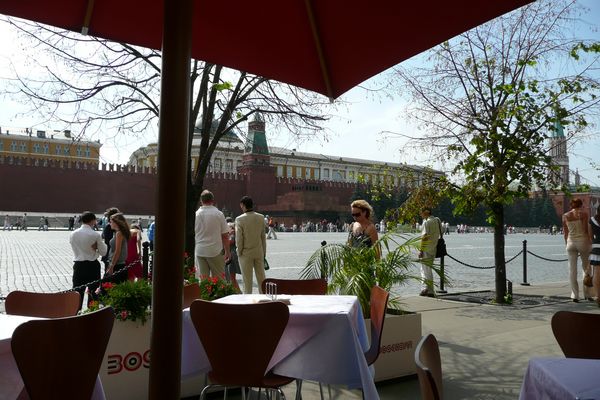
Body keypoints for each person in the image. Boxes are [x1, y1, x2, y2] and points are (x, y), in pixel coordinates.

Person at [69, 211, 107, 311]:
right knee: (93, 292)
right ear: (93, 221)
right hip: (92, 265)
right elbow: (103, 252)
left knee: (77, 291)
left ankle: (75, 312)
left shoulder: (73, 234)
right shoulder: (95, 235)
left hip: (78, 265)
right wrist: (96, 250)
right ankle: (92, 313)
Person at [194, 190, 231, 279]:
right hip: (215, 251)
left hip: (200, 250)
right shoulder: (219, 214)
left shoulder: (196, 215)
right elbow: (225, 236)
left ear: (201, 201)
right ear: (212, 200)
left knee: (203, 280)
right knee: (219, 280)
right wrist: (227, 252)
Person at [563, 198, 592, 302]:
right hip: (583, 241)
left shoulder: (566, 215)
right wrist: (590, 242)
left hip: (570, 242)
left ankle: (575, 295)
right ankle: (587, 294)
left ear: (571, 205)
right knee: (586, 268)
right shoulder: (583, 214)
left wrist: (566, 243)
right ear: (581, 205)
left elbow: (565, 232)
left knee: (572, 270)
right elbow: (585, 230)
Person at [235, 196, 267, 294]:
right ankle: (264, 298)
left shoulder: (239, 219)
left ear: (242, 205)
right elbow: (263, 237)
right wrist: (264, 252)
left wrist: (239, 252)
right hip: (258, 251)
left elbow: (239, 239)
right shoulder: (261, 217)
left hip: (245, 253)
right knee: (261, 279)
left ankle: (247, 300)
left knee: (247, 281)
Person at [419, 206, 442, 297]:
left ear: (426, 212)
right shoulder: (437, 220)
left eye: (421, 212)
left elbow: (424, 237)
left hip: (426, 249)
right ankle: (429, 290)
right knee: (428, 270)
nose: (420, 214)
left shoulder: (426, 222)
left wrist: (421, 250)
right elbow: (441, 233)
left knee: (424, 270)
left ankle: (426, 289)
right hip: (434, 248)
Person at [106, 212, 130, 284]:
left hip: (117, 264)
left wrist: (111, 266)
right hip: (119, 264)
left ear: (116, 223)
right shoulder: (121, 232)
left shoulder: (119, 233)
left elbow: (117, 250)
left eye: (111, 222)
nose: (110, 223)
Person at [224, 217, 241, 291]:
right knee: (230, 277)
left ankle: (238, 293)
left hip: (232, 256)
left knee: (231, 277)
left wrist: (227, 236)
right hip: (230, 255)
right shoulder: (233, 230)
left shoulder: (232, 232)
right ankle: (236, 292)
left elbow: (230, 242)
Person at [102, 207, 120, 273]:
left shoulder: (110, 226)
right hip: (111, 254)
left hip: (110, 254)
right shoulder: (111, 226)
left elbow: (105, 239)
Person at [589, 205, 600, 307]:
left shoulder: (592, 220)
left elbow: (590, 235)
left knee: (596, 274)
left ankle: (597, 296)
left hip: (596, 248)